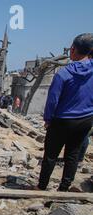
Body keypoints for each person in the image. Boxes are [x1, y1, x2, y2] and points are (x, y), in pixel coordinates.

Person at [37, 33, 93, 192]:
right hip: (86, 119)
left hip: (62, 120)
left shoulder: (63, 73)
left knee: (50, 155)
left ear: (73, 49)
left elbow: (52, 99)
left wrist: (48, 119)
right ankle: (64, 188)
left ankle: (41, 187)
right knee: (73, 154)